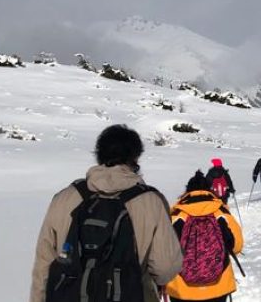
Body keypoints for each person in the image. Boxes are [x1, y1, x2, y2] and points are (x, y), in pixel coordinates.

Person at [30, 124, 182, 302]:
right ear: (135, 157)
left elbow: (44, 265)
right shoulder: (151, 201)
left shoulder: (65, 198)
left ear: (99, 154)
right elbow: (166, 268)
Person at [166, 171, 244, 302]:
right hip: (219, 285)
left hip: (181, 289)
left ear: (187, 191)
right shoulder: (221, 212)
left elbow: (164, 251)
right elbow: (237, 246)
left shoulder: (176, 215)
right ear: (209, 190)